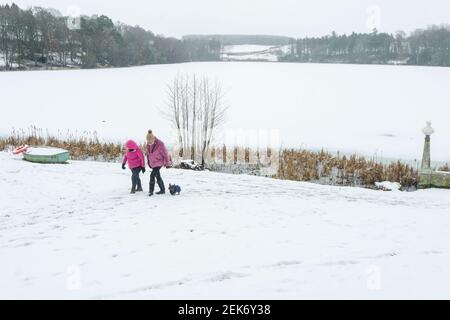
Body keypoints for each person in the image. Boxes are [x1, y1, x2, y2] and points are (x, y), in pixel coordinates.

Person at [146, 130, 171, 196]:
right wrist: (149, 163)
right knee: (157, 176)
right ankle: (162, 190)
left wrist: (167, 163)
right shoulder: (148, 145)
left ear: (153, 139)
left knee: (152, 175)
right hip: (153, 164)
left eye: (150, 141)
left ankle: (150, 191)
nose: (149, 143)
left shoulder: (160, 144)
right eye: (148, 142)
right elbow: (148, 155)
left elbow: (165, 154)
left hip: (159, 162)